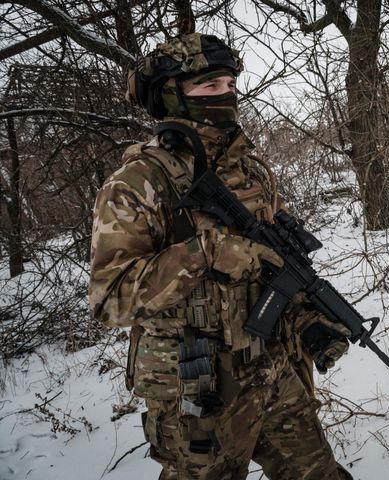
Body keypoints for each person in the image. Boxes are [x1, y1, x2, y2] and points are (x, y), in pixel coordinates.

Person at [89, 32, 352, 479]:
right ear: (172, 96)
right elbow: (111, 299)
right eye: (210, 86)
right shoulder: (137, 183)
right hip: (198, 390)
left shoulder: (251, 172)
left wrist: (310, 318)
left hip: (273, 372)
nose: (225, 95)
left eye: (229, 85)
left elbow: (279, 269)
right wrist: (206, 253)